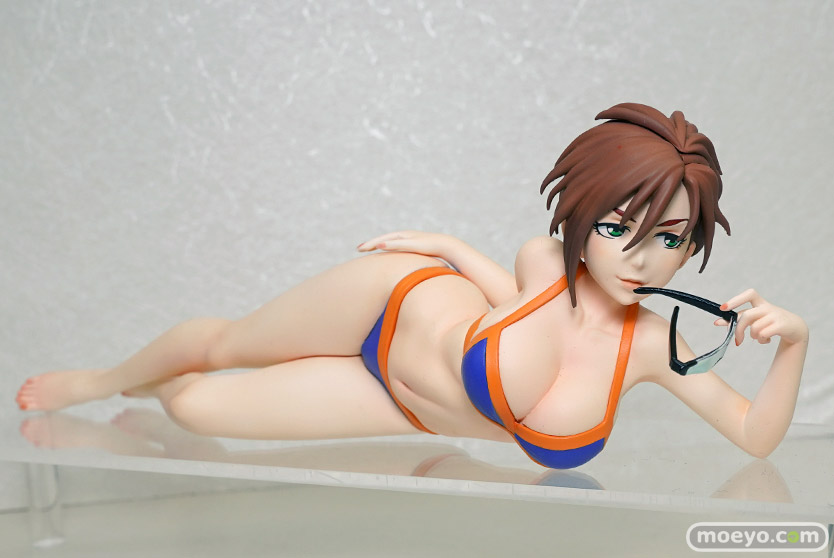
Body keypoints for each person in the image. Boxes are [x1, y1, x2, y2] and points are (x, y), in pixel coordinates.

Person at [15, 103, 809, 469]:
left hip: (399, 406)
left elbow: (753, 437)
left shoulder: (654, 348)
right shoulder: (544, 260)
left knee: (193, 407)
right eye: (615, 226)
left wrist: (793, 346)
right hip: (395, 303)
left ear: (693, 245)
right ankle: (101, 380)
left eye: (669, 238)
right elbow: (515, 301)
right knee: (226, 344)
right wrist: (447, 248)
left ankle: (152, 390)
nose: (639, 259)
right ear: (581, 214)